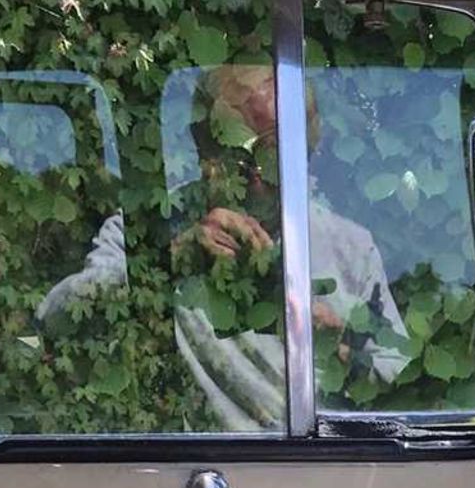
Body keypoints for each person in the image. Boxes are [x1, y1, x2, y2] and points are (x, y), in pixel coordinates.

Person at [37, 64, 408, 430]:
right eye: (238, 155)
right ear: (204, 149)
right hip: (175, 459)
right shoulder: (153, 226)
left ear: (307, 150)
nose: (256, 175)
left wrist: (334, 346)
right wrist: (170, 262)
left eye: (272, 151)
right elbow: (56, 321)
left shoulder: (349, 247)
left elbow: (399, 390)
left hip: (306, 467)